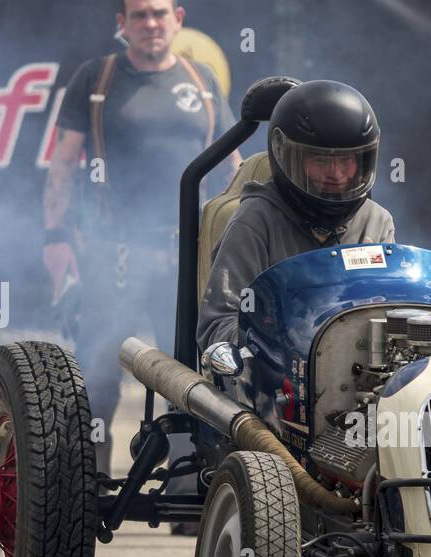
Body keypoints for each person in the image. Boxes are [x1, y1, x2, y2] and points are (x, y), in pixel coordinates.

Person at [43, 0, 238, 476]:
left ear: (178, 20)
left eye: (158, 14)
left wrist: (235, 244)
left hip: (187, 255)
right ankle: (85, 490)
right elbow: (64, 164)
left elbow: (234, 170)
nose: (150, 24)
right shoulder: (97, 80)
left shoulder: (203, 83)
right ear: (122, 25)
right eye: (139, 16)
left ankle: (188, 485)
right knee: (98, 376)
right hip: (115, 254)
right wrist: (55, 238)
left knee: (193, 375)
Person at [198, 80, 395, 351]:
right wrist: (273, 345)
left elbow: (389, 308)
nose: (335, 175)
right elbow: (218, 325)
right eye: (321, 161)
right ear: (288, 158)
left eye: (346, 161)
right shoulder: (255, 220)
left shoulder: (376, 220)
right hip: (275, 384)